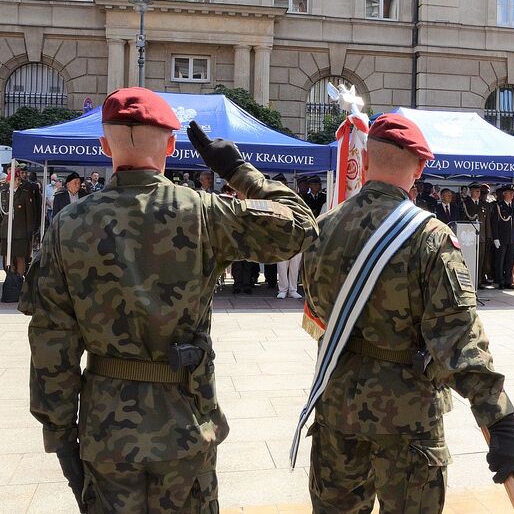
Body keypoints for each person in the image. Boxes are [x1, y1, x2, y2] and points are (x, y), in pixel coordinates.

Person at [21, 87, 318, 513]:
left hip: (106, 430)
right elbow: (301, 226)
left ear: (105, 146)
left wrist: (60, 433)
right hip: (186, 422)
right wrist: (238, 171)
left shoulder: (69, 224)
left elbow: (51, 342)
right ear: (172, 146)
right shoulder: (203, 212)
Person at [302, 112, 514, 512]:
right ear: (420, 167)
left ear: (365, 160)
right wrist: (499, 420)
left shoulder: (324, 227)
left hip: (337, 408)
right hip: (406, 417)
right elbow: (458, 340)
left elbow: (317, 310)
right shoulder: (429, 237)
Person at [0, 168, 39, 276]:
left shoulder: (25, 194)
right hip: (6, 231)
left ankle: (19, 279)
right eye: (16, 179)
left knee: (20, 257)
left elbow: (29, 214)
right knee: (7, 256)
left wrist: (30, 231)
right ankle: (10, 278)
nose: (18, 181)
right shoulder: (3, 193)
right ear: (9, 180)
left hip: (20, 232)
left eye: (19, 179)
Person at [491, 183, 514, 289]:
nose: (512, 195)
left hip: (512, 237)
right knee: (500, 260)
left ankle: (508, 281)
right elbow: (494, 223)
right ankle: (500, 281)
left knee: (510, 260)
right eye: (509, 193)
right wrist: (495, 238)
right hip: (501, 237)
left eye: (513, 193)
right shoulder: (498, 206)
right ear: (504, 193)